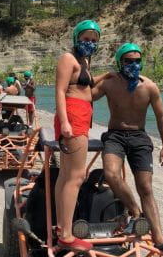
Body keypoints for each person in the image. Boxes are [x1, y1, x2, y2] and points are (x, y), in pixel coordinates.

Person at [92, 43, 163, 253]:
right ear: (120, 62)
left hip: (139, 137)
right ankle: (135, 212)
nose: (133, 64)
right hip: (115, 136)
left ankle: (159, 238)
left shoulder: (149, 86)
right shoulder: (110, 84)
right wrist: (105, 75)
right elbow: (86, 94)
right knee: (111, 174)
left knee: (146, 188)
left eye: (137, 61)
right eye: (128, 61)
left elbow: (161, 117)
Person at [54, 20, 101, 253]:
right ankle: (67, 235)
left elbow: (87, 88)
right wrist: (64, 122)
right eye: (86, 39)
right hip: (72, 117)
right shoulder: (68, 59)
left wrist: (108, 78)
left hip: (81, 116)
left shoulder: (84, 62)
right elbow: (60, 91)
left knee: (65, 175)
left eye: (93, 40)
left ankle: (62, 227)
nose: (90, 43)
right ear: (76, 38)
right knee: (76, 176)